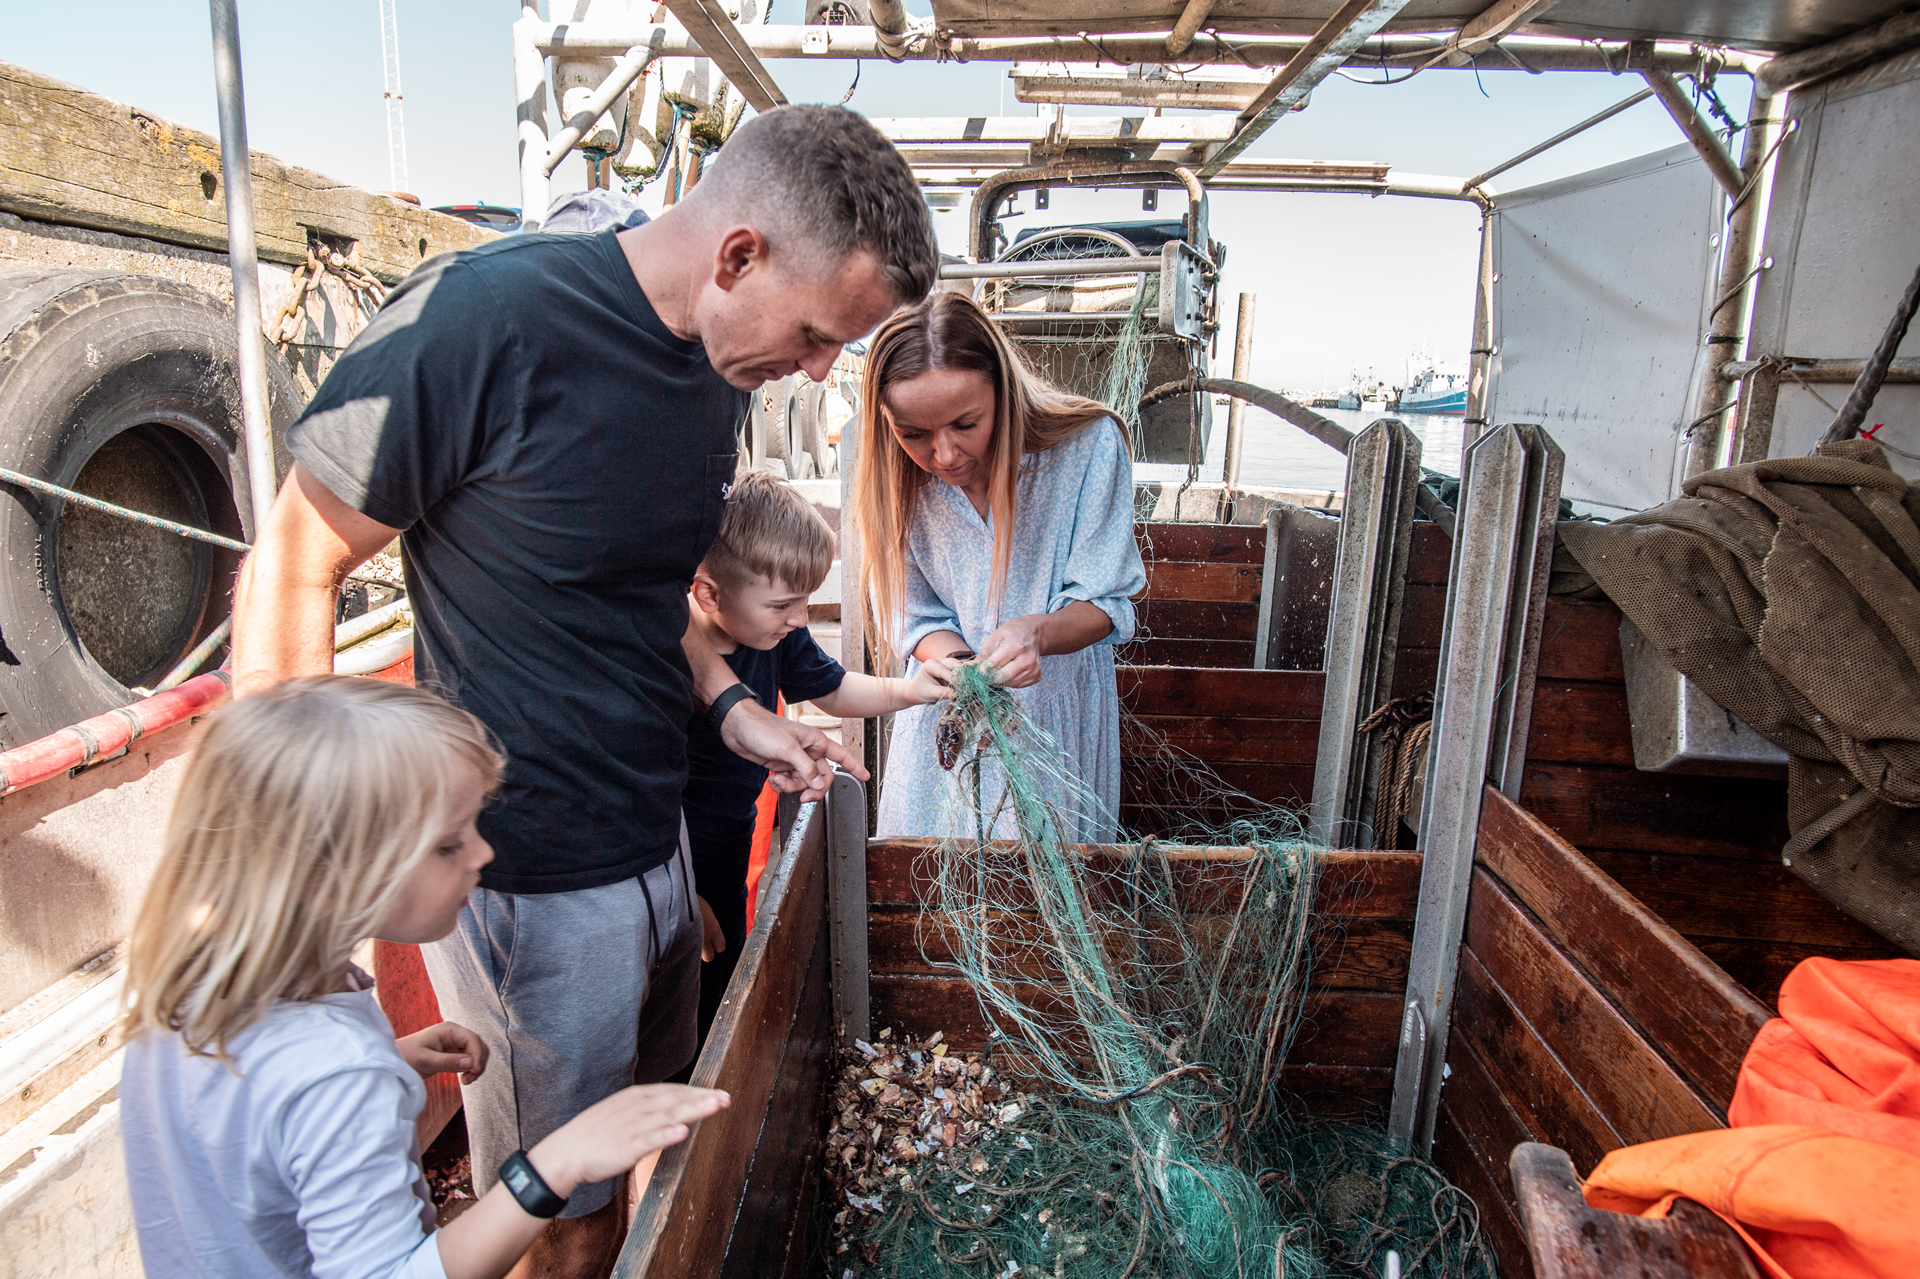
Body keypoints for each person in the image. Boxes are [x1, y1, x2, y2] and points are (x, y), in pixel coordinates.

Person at [229, 104, 937, 1276]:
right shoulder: (482, 320)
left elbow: (646, 587)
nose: (820, 369)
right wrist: (303, 905)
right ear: (737, 253)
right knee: (562, 1208)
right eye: (818, 334)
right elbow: (298, 558)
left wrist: (734, 710)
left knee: (640, 1153)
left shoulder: (720, 368)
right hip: (528, 875)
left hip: (652, 843)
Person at [119, 677, 730, 1279]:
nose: (482, 855)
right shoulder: (339, 1072)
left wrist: (392, 1056)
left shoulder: (187, 995)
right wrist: (554, 1163)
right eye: (447, 845)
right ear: (330, 876)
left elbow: (254, 1124)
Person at [853, 291, 1146, 844]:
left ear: (1002, 392)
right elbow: (911, 613)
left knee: (1050, 899)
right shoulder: (897, 478)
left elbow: (1106, 603)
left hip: (1057, 727)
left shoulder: (1088, 448)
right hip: (945, 727)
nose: (943, 454)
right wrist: (967, 671)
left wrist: (1036, 633)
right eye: (912, 433)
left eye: (966, 423)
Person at [683, 471, 956, 1034]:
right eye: (784, 604)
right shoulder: (664, 667)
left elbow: (831, 688)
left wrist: (908, 688)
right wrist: (681, 895)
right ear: (708, 593)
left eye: (806, 601)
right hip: (672, 858)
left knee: (719, 988)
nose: (801, 619)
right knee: (678, 991)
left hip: (728, 848)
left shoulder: (774, 636)